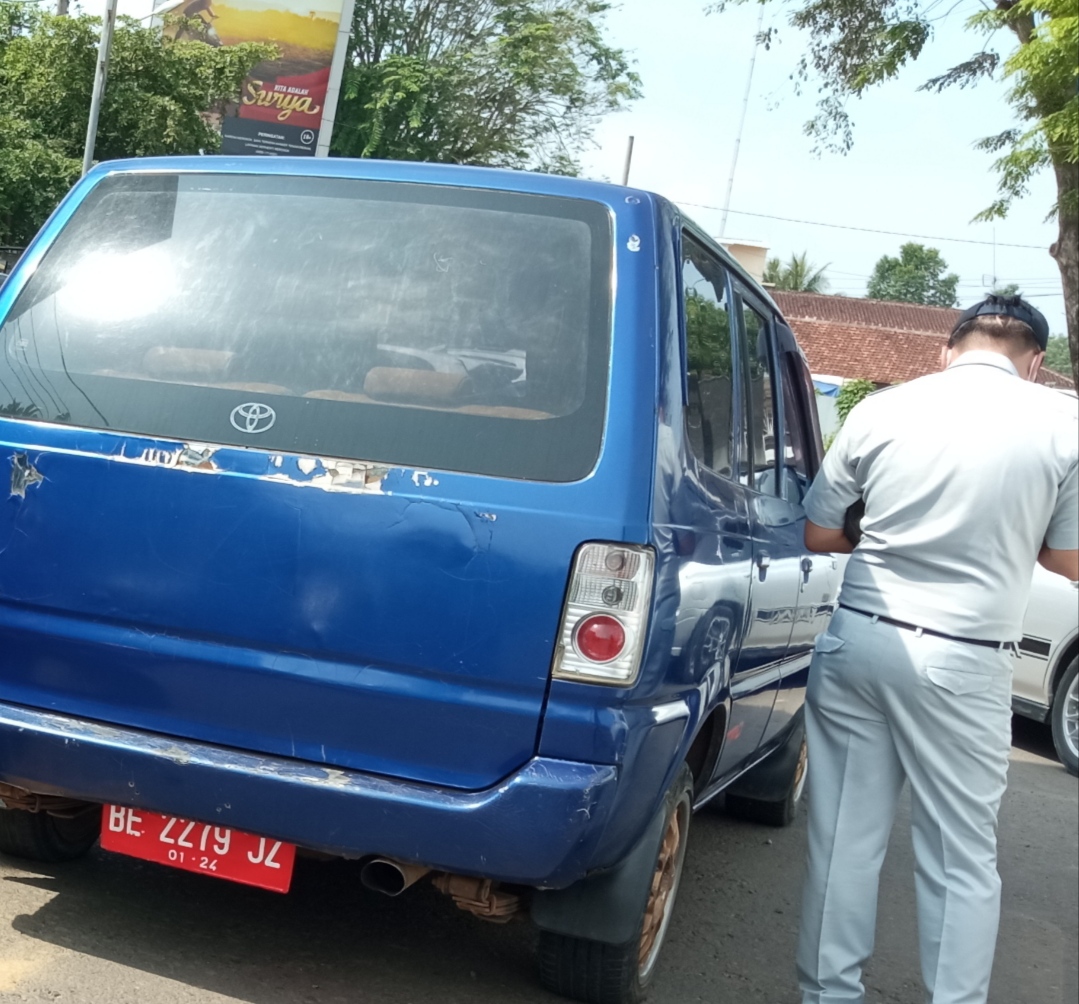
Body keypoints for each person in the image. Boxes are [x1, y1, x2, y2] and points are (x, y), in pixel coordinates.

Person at [795, 294, 1079, 1004]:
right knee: (958, 856)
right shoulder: (1064, 423)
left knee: (842, 844)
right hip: (962, 655)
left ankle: (826, 996)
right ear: (1035, 363)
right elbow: (1066, 560)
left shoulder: (883, 408)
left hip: (860, 634)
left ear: (946, 350)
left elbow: (817, 534)